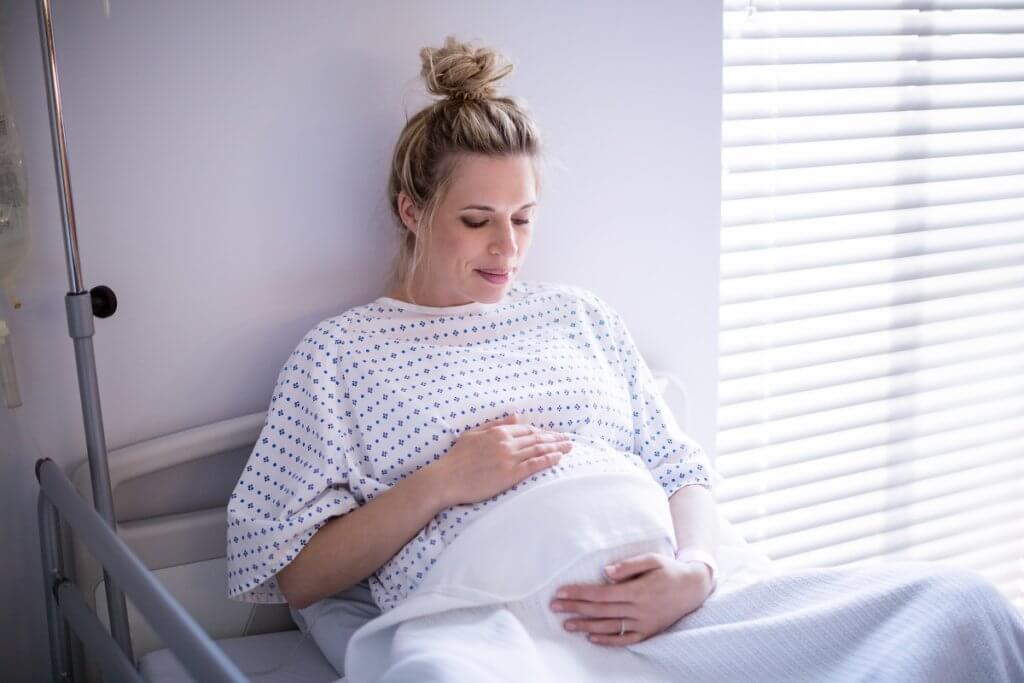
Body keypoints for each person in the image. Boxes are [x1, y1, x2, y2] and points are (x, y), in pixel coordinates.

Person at [228, 37, 1024, 682]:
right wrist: (445, 480)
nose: (508, 250)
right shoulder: (342, 355)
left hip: (678, 601)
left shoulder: (577, 314)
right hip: (496, 621)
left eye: (524, 218)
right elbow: (295, 575)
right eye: (477, 220)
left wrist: (698, 571)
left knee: (963, 606)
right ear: (412, 209)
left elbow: (680, 465)